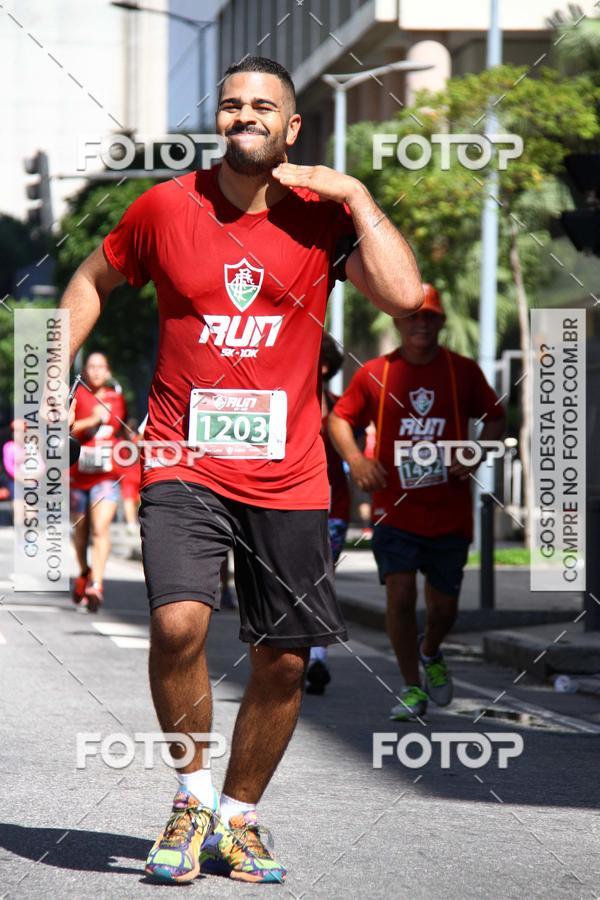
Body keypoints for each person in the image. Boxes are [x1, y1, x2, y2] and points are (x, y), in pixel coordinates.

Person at [58, 55, 422, 885]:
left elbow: (404, 297)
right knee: (179, 624)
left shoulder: (321, 221)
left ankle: (239, 817)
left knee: (284, 658)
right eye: (230, 105)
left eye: (264, 106)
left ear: (292, 128)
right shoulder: (162, 209)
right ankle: (190, 803)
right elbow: (89, 278)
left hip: (290, 474)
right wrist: (50, 367)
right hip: (183, 460)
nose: (244, 115)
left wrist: (358, 196)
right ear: (217, 120)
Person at [329, 284, 505, 721]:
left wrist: (479, 450)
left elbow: (497, 417)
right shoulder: (375, 373)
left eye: (429, 317)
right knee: (400, 596)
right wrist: (357, 460)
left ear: (441, 322)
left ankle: (431, 651)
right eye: (413, 317)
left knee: (444, 609)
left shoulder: (461, 372)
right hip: (395, 508)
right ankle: (411, 687)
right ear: (398, 322)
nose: (421, 324)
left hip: (449, 511)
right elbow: (338, 418)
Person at [305, 334, 351, 696]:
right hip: (289, 503)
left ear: (324, 366)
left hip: (333, 508)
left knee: (320, 578)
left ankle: (317, 657)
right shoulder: (286, 403)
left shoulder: (341, 409)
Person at [69, 353, 127, 612]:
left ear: (108, 371)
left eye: (100, 367)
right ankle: (84, 572)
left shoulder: (116, 398)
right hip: (78, 475)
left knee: (100, 528)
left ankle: (97, 584)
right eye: (91, 367)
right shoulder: (76, 396)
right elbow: (66, 428)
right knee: (80, 534)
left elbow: (116, 427)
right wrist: (91, 419)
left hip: (106, 474)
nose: (95, 371)